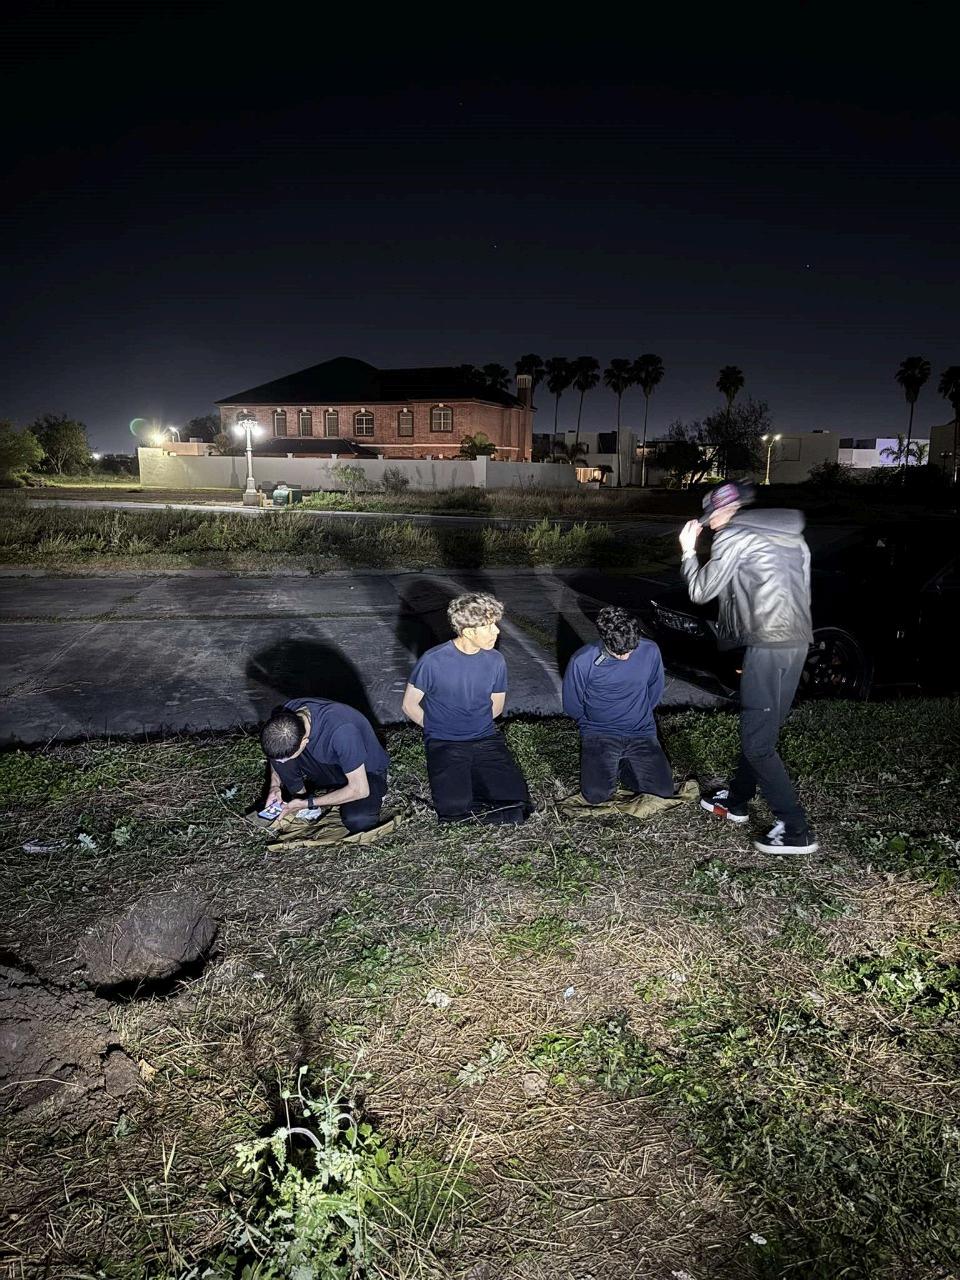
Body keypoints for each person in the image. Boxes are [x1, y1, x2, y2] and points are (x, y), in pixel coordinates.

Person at [679, 480, 818, 855]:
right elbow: (802, 587)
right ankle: (737, 801)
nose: (709, 526)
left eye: (710, 518)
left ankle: (795, 829)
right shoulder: (790, 535)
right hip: (796, 642)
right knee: (761, 731)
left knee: (758, 745)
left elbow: (700, 591)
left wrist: (689, 551)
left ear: (725, 512)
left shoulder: (733, 535)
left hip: (768, 645)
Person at [402, 592, 531, 824]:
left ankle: (480, 799)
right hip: (444, 741)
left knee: (519, 804)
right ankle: (468, 802)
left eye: (495, 624)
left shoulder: (496, 660)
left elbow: (496, 707)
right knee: (453, 808)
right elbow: (409, 705)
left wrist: (475, 726)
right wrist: (438, 729)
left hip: (485, 738)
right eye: (489, 626)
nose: (497, 631)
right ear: (469, 632)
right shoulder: (433, 660)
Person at [562, 605, 675, 804]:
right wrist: (593, 723)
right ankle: (610, 763)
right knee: (596, 795)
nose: (625, 657)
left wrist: (638, 714)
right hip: (599, 732)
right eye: (619, 652)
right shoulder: (582, 661)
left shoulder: (650, 650)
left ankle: (624, 764)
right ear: (605, 639)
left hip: (641, 731)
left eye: (630, 650)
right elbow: (572, 704)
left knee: (663, 792)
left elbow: (655, 688)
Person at [260, 699, 389, 834]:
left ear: (304, 742)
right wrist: (274, 785)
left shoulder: (342, 731)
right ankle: (300, 797)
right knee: (280, 752)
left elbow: (360, 790)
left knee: (358, 819)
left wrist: (308, 803)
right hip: (330, 764)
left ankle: (305, 803)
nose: (280, 763)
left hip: (365, 773)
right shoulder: (284, 718)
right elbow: (277, 757)